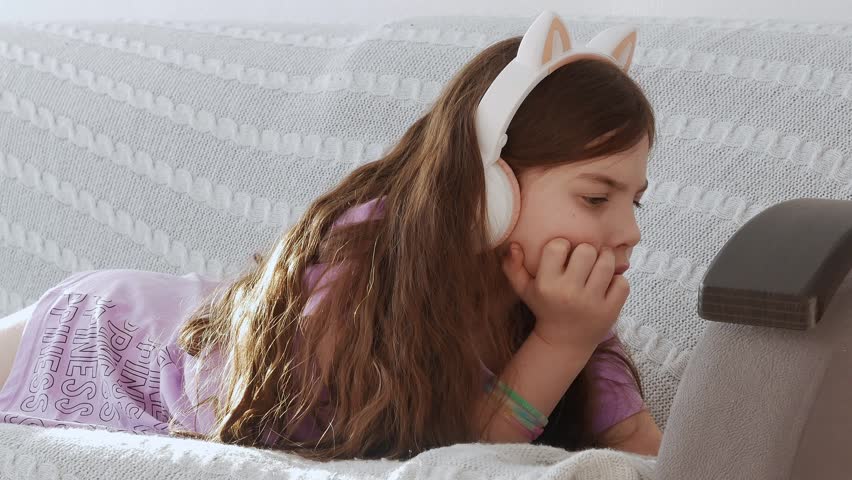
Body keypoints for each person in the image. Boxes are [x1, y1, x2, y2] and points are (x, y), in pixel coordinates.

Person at [0, 11, 662, 461]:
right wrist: (561, 342)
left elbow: (650, 450)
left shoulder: (564, 304)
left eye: (634, 200)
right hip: (111, 338)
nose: (628, 231)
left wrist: (571, 337)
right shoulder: (368, 269)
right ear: (490, 182)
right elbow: (465, 459)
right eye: (597, 197)